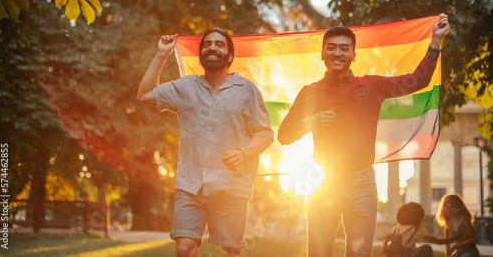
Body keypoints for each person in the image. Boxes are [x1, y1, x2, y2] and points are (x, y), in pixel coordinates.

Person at [277, 14, 450, 257]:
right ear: (322, 54)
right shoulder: (309, 92)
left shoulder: (371, 87)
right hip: (322, 182)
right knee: (318, 252)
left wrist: (435, 43)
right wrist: (311, 120)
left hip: (362, 184)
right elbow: (284, 136)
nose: (338, 53)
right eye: (332, 48)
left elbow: (416, 81)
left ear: (353, 55)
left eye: (344, 48)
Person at [136, 28, 274, 257]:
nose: (212, 47)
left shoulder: (246, 90)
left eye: (220, 45)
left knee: (230, 250)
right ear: (201, 54)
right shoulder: (185, 87)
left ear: (230, 56)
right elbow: (143, 94)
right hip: (190, 186)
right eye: (207, 44)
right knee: (184, 248)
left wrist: (243, 152)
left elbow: (265, 134)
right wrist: (162, 54)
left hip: (230, 186)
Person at [388, 202, 454, 257]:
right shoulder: (417, 230)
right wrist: (454, 238)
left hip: (395, 255)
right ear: (418, 216)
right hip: (407, 255)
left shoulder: (396, 228)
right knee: (427, 248)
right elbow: (437, 241)